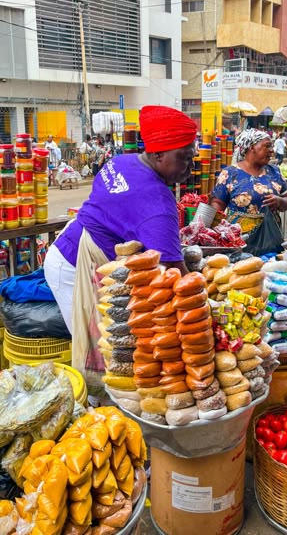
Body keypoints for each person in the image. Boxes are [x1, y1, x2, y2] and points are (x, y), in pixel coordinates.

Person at [44, 106, 197, 392]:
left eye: (192, 158)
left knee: (111, 339)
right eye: (184, 159)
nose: (190, 168)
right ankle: (98, 406)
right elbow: (175, 272)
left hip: (73, 242)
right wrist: (205, 303)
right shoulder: (157, 203)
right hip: (73, 263)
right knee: (104, 347)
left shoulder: (123, 162)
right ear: (158, 154)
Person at [209, 129, 287, 241]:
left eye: (271, 146)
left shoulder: (274, 171)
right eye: (267, 146)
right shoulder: (230, 174)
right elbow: (217, 204)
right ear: (251, 147)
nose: (272, 150)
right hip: (238, 240)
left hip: (270, 238)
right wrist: (215, 231)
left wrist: (280, 201)